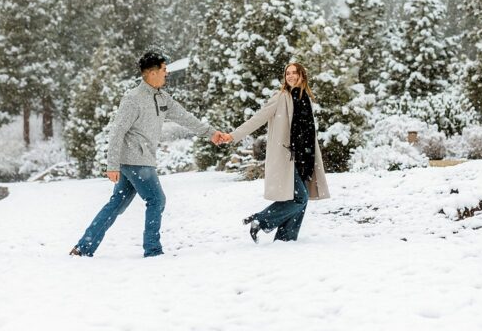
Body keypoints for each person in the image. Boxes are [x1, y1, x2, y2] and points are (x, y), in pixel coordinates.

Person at [70, 51, 227, 258]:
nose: (166, 74)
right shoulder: (133, 99)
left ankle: (83, 248)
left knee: (116, 204)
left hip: (140, 160)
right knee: (156, 199)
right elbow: (117, 131)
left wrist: (211, 133)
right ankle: (152, 249)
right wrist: (112, 165)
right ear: (152, 73)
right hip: (136, 159)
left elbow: (184, 117)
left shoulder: (162, 97)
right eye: (163, 70)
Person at [227, 62, 330, 243]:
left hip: (305, 157)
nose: (290, 76)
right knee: (300, 198)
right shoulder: (281, 97)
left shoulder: (306, 98)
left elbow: (307, 130)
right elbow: (257, 118)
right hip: (287, 157)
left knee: (301, 200)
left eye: (294, 73)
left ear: (302, 76)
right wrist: (233, 136)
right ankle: (260, 220)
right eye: (287, 73)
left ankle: (285, 240)